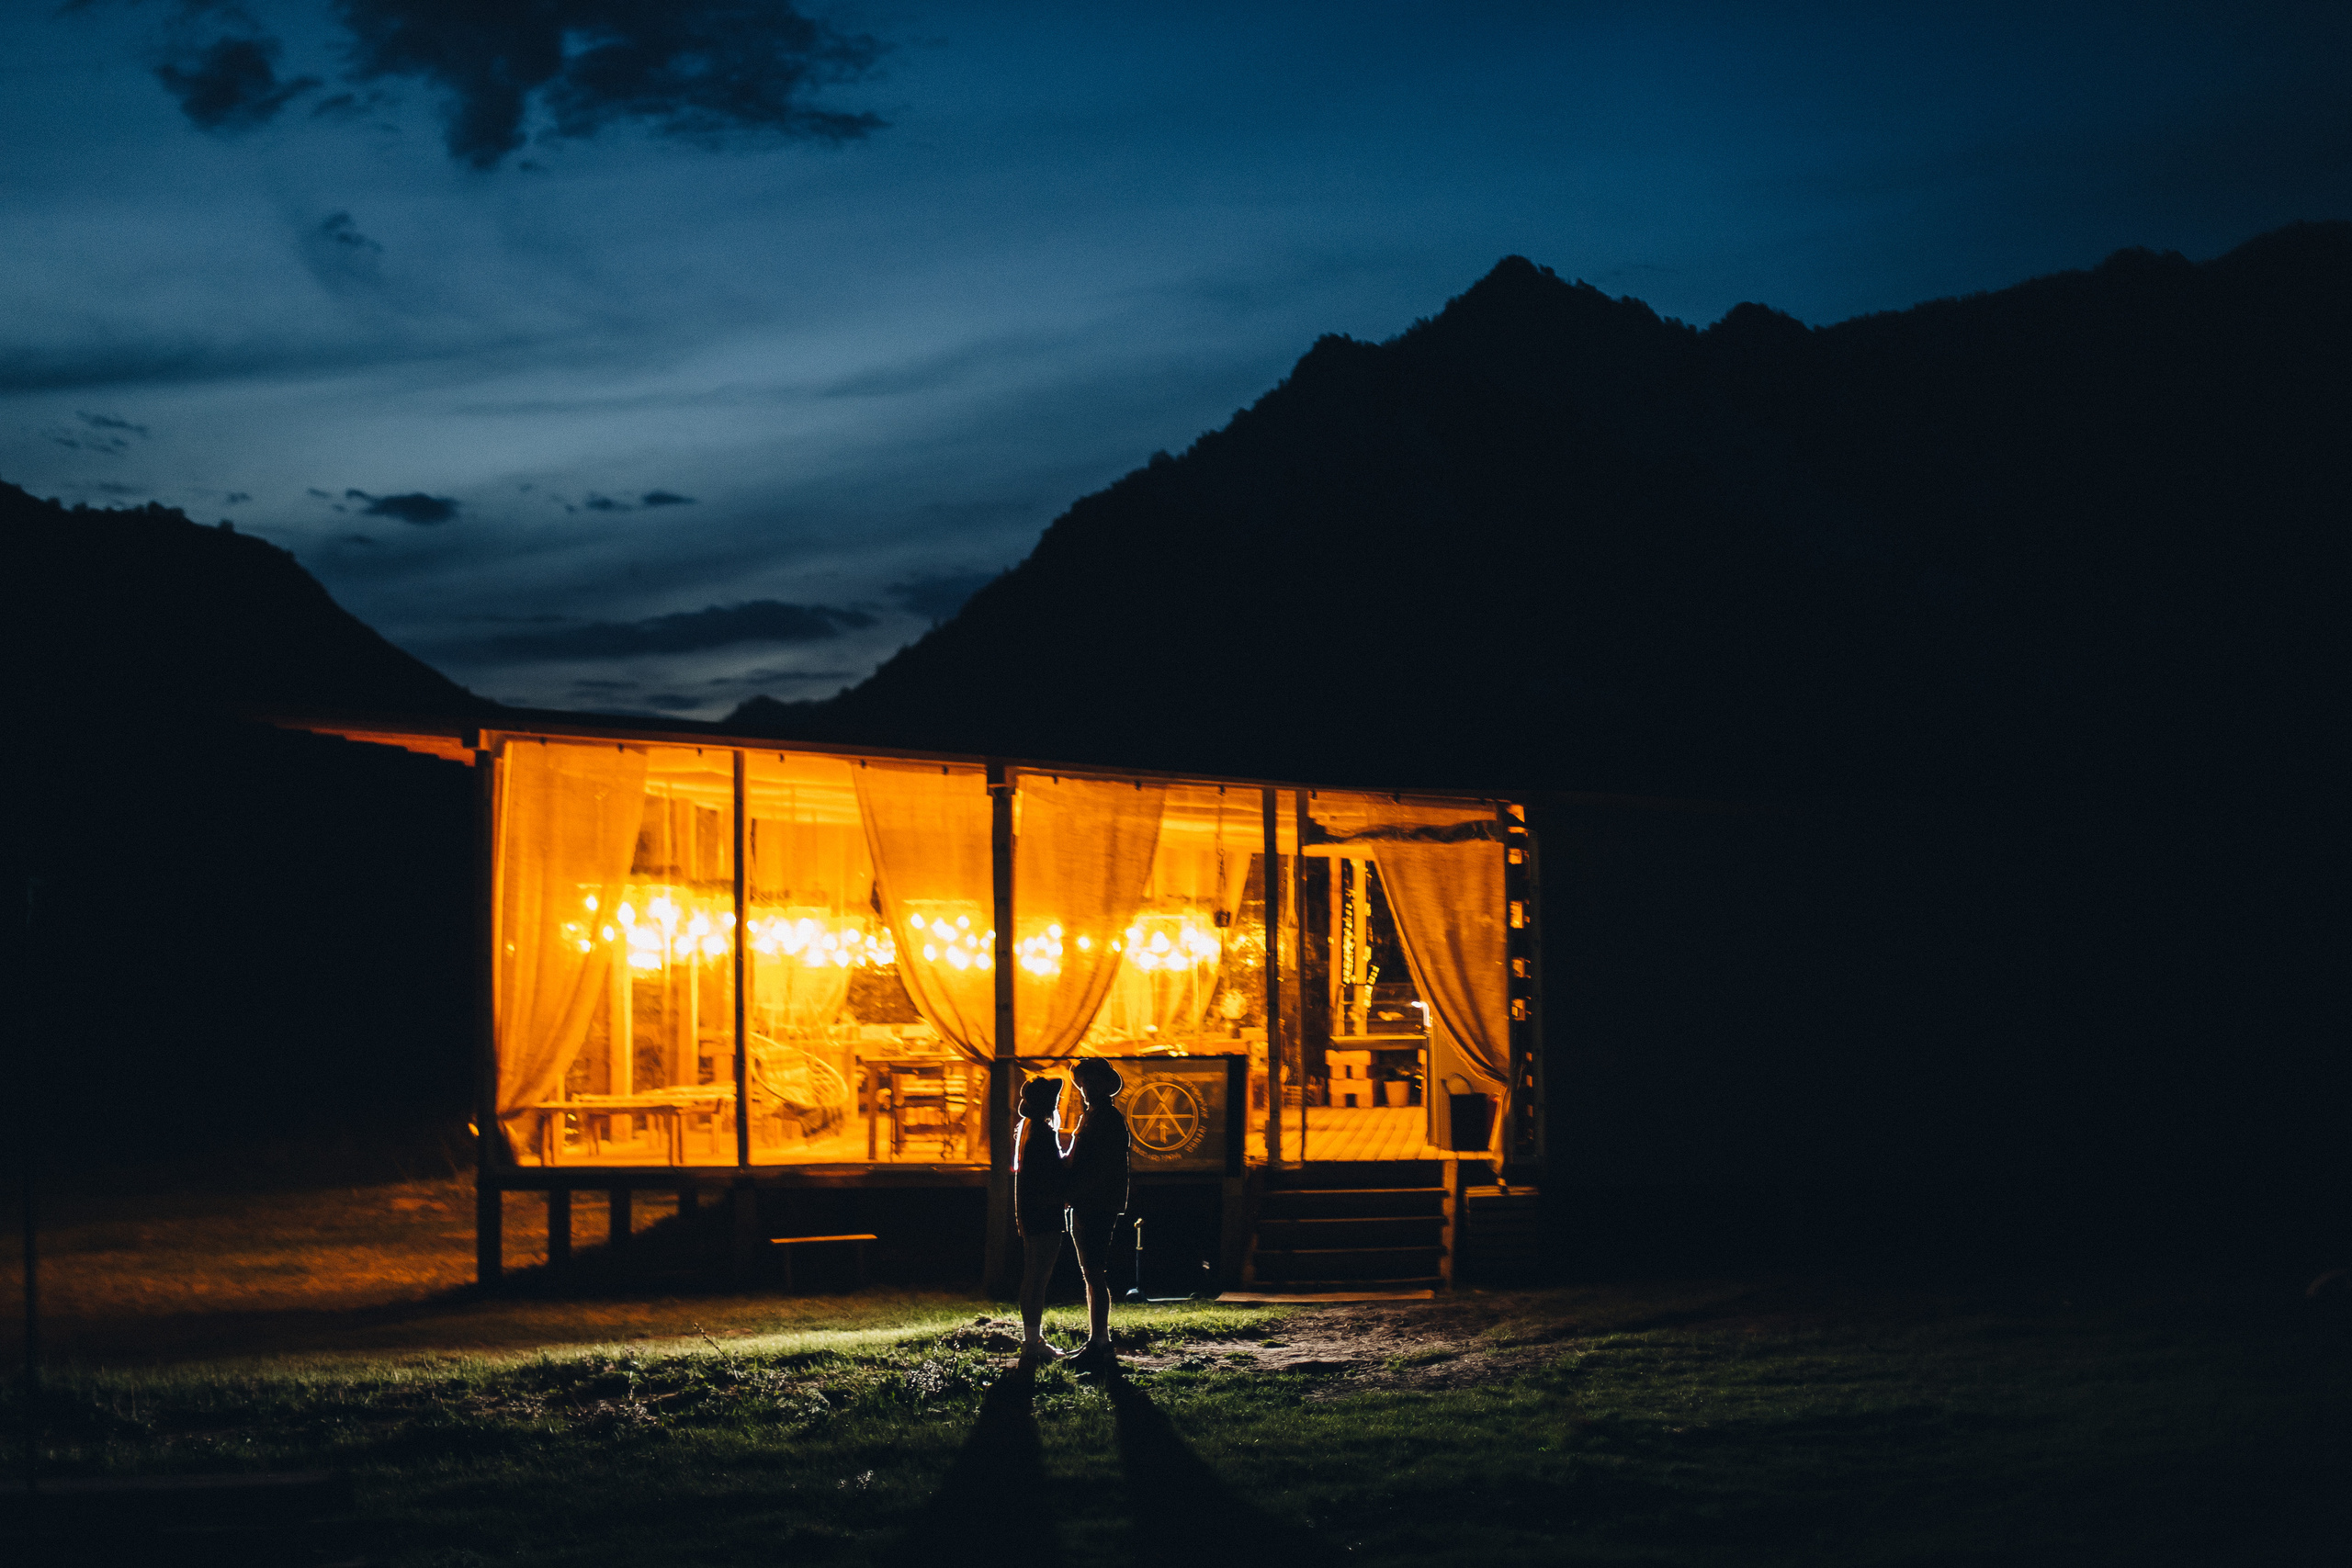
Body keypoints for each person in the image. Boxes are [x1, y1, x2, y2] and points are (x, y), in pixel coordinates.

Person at [1061, 1056, 1131, 1373]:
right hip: (1093, 1202)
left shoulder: (1104, 1119)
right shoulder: (1095, 1116)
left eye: (1090, 1081)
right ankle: (1097, 1340)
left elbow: (1099, 1168)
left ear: (1104, 1084)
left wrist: (1071, 1192)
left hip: (1095, 1203)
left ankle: (1099, 1341)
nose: (1085, 1087)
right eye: (1083, 1082)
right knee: (1092, 1272)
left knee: (1094, 1271)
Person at [1012, 1075, 1069, 1368]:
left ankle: (1031, 1338)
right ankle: (1032, 1342)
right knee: (1039, 1277)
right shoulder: (1044, 1134)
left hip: (1032, 1213)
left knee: (1032, 1276)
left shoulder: (1030, 1131)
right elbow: (1055, 1177)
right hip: (1045, 1214)